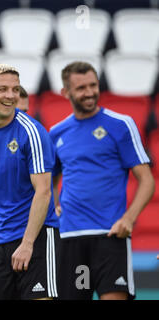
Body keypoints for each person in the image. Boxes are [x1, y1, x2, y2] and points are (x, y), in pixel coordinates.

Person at [49, 61, 155, 300]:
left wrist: (128, 218)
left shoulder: (121, 124)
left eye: (93, 85)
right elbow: (49, 180)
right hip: (71, 238)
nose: (89, 93)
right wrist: (55, 205)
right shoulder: (56, 132)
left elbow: (147, 180)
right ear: (66, 93)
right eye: (81, 88)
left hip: (110, 236)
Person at [0, 64, 60, 300]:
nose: (10, 96)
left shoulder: (32, 132)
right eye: (2, 89)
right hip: (0, 241)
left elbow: (43, 192)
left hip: (37, 237)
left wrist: (28, 243)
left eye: (15, 89)